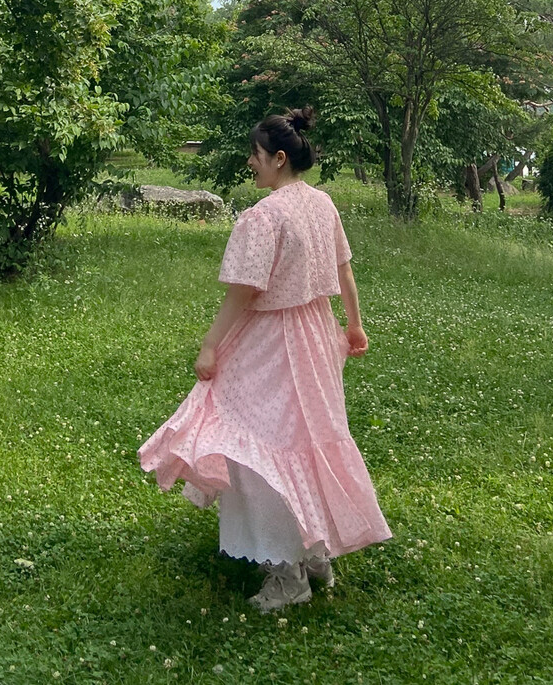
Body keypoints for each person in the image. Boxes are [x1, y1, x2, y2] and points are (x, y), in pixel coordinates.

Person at [138, 107, 391, 612]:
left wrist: (210, 344)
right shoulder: (322, 204)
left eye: (254, 155)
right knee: (307, 441)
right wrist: (354, 324)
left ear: (278, 158)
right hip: (316, 334)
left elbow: (244, 292)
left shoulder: (265, 217)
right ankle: (314, 552)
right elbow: (344, 271)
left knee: (258, 447)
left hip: (273, 342)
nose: (249, 163)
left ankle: (287, 571)